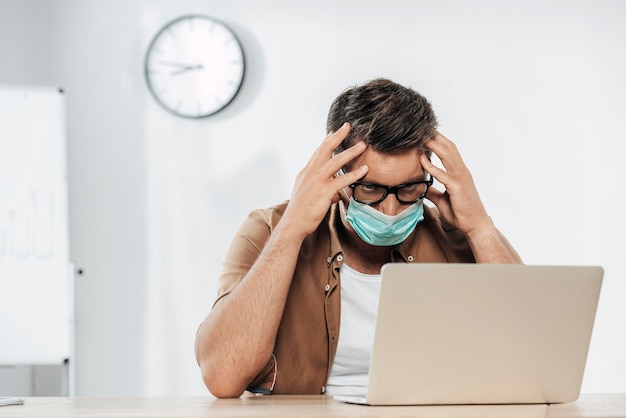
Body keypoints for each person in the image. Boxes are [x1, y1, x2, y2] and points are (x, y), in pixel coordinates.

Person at [194, 78, 521, 398]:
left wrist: (479, 229)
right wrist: (291, 230)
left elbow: (528, 363)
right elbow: (223, 377)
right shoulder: (269, 230)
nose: (391, 210)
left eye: (409, 188)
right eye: (370, 188)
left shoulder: (462, 231)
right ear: (335, 173)